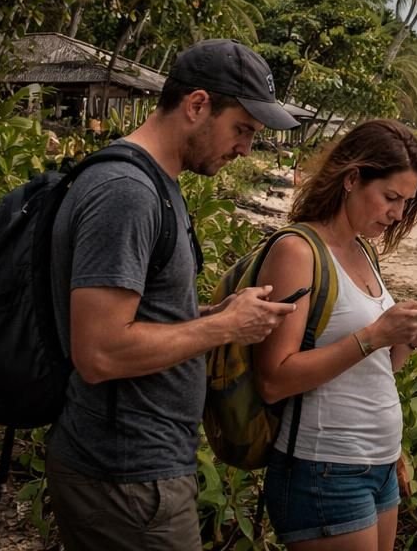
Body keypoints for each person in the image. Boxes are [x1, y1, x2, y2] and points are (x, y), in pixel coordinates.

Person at [47, 39, 301, 551]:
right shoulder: (127, 193)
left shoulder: (152, 184)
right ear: (198, 105)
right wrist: (224, 328)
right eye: (243, 130)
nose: (246, 149)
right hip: (127, 476)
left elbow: (137, 317)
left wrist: (211, 313)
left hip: (136, 470)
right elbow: (98, 352)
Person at [252, 120, 417, 549]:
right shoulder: (298, 251)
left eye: (406, 202)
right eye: (391, 198)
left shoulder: (363, 251)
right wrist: (376, 334)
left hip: (377, 464)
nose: (397, 213)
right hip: (324, 467)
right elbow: (274, 379)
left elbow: (377, 367)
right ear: (352, 178)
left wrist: (407, 339)